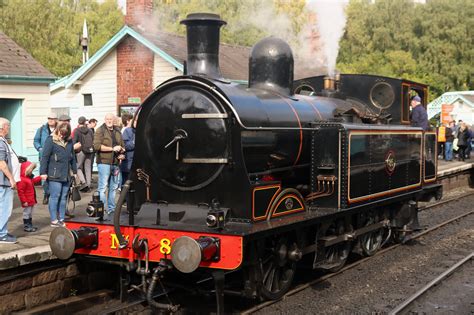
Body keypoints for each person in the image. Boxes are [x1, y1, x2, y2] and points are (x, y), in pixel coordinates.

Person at [40, 122, 77, 227]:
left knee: (64, 197)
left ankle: (61, 218)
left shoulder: (69, 141)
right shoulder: (50, 140)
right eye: (61, 133)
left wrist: (74, 172)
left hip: (66, 174)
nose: (62, 135)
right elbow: (45, 157)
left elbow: (72, 157)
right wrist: (43, 172)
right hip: (54, 174)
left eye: (65, 134)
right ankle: (54, 220)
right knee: (55, 196)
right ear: (57, 130)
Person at [93, 114, 125, 216]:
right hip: (104, 163)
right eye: (107, 119)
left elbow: (123, 145)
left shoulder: (117, 130)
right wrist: (112, 149)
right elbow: (97, 146)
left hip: (115, 163)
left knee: (114, 188)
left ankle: (112, 209)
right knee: (103, 187)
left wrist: (122, 153)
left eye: (111, 119)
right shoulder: (100, 130)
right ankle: (103, 209)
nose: (109, 121)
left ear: (114, 120)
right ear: (105, 120)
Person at [0, 118, 20, 243]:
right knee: (4, 207)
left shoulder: (3, 141)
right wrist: (11, 179)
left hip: (4, 181)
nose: (9, 128)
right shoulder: (0, 143)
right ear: (2, 128)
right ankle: (2, 234)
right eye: (8, 126)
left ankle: (3, 231)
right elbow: (1, 163)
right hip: (4, 182)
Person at [33, 112, 58, 205]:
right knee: (44, 176)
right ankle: (46, 194)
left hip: (56, 157)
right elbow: (36, 140)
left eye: (52, 118)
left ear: (56, 120)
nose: (50, 120)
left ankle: (54, 194)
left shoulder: (59, 129)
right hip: (43, 156)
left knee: (55, 176)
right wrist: (39, 148)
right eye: (49, 118)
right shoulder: (41, 129)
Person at [17, 160, 41, 232]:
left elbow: (33, 181)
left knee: (30, 213)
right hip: (27, 201)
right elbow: (20, 192)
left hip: (31, 200)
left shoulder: (27, 178)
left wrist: (40, 177)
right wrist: (24, 201)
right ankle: (27, 226)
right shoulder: (22, 180)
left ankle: (30, 225)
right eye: (31, 170)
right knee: (27, 213)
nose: (32, 171)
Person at [73, 116, 94, 192]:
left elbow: (74, 141)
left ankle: (83, 182)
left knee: (77, 167)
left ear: (78, 122)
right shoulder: (90, 130)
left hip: (80, 151)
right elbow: (93, 140)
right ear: (85, 122)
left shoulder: (76, 131)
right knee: (88, 168)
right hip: (89, 151)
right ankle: (88, 185)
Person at [121, 116, 135, 186]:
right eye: (134, 120)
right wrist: (134, 142)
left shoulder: (140, 131)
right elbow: (124, 145)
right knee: (126, 185)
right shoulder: (127, 131)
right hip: (128, 163)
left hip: (137, 165)